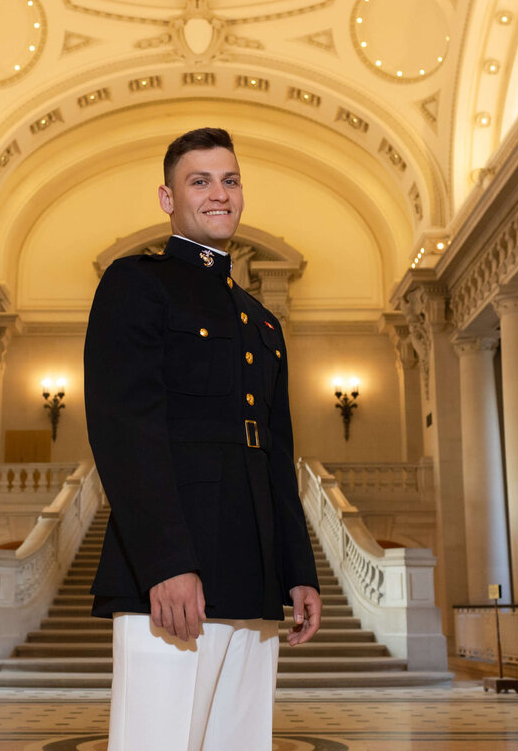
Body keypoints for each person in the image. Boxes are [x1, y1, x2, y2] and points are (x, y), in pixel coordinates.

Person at [83, 127, 321, 750]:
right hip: (174, 571)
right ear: (168, 198)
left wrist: (298, 571)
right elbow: (125, 428)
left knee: (240, 743)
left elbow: (276, 456)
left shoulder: (262, 322)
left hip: (254, 570)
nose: (220, 193)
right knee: (157, 741)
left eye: (231, 179)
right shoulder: (137, 283)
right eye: (201, 180)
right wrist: (166, 562)